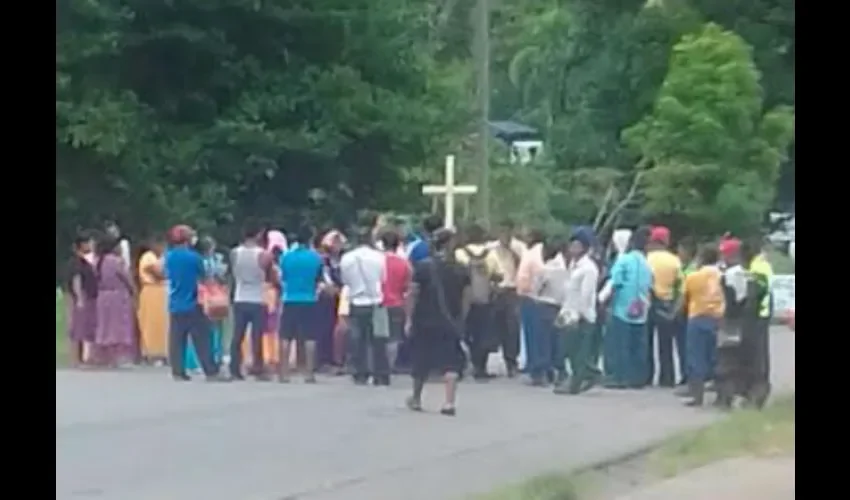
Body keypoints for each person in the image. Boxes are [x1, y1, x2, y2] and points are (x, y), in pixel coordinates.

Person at [405, 229, 471, 416]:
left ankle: (416, 398)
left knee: (421, 360)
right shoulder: (460, 268)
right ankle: (449, 402)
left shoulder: (423, 267)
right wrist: (461, 319)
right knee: (450, 362)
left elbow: (413, 294)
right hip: (450, 322)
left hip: (424, 321)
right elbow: (467, 297)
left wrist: (409, 318)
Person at [164, 225, 225, 382]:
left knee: (177, 339)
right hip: (193, 301)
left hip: (175, 301)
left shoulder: (169, 257)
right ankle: (210, 371)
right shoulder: (194, 258)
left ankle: (178, 371)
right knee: (202, 338)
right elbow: (205, 277)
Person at [603, 226, 653, 389]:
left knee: (620, 344)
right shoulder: (646, 264)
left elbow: (615, 283)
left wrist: (606, 303)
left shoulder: (623, 260)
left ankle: (619, 377)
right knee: (637, 345)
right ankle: (637, 378)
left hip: (622, 307)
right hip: (641, 309)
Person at [340, 226, 391, 385]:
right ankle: (380, 374)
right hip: (376, 301)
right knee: (379, 339)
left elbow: (346, 281)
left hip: (356, 301)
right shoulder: (379, 257)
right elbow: (383, 278)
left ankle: (360, 372)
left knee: (357, 339)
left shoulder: (346, 258)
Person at [554, 227, 601, 395]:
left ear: (585, 247)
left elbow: (586, 295)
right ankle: (589, 374)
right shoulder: (573, 265)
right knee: (569, 349)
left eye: (576, 245)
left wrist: (578, 316)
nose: (572, 249)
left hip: (581, 315)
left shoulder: (589, 268)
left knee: (578, 351)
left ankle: (577, 382)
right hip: (568, 312)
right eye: (571, 245)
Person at [454, 222, 503, 381]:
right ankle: (480, 367)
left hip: (463, 299)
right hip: (484, 299)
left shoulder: (459, 253)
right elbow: (499, 275)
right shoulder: (491, 254)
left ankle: (461, 365)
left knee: (463, 332)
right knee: (483, 333)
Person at [278, 224, 324, 383]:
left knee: (285, 336)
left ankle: (283, 373)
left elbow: (283, 277)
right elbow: (318, 279)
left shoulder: (286, 257)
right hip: (309, 299)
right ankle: (309, 373)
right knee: (310, 337)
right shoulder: (316, 258)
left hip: (289, 298)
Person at [228, 222, 274, 380]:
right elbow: (270, 275)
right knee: (257, 336)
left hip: (240, 296)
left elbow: (233, 274)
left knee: (237, 335)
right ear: (259, 234)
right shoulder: (264, 255)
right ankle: (257, 367)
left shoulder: (235, 253)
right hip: (257, 297)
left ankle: (235, 367)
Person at [680, 244, 725, 406]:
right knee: (718, 358)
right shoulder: (722, 275)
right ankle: (721, 396)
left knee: (696, 358)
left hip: (697, 317)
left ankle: (697, 396)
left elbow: (683, 299)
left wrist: (675, 314)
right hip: (718, 318)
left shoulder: (693, 277)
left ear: (701, 258)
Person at [645, 226, 684, 387]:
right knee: (665, 345)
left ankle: (647, 375)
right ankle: (667, 377)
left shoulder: (646, 259)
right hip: (667, 303)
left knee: (646, 343)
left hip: (648, 302)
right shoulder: (674, 260)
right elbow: (680, 286)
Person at [528, 237, 569, 386]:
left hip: (544, 305)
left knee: (542, 341)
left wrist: (535, 295)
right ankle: (558, 371)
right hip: (560, 306)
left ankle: (541, 372)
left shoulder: (546, 269)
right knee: (556, 340)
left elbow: (536, 288)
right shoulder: (565, 269)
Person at [489, 219, 526, 377]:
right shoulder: (490, 247)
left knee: (511, 328)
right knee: (494, 325)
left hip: (512, 290)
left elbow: (524, 267)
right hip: (495, 289)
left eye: (506, 231)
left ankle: (511, 361)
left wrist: (511, 250)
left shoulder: (520, 247)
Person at [92, 235, 136, 367]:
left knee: (104, 325)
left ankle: (104, 357)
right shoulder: (116, 261)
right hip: (117, 295)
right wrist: (133, 290)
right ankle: (119, 357)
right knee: (119, 325)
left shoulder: (97, 261)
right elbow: (126, 278)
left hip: (102, 295)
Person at [185, 237, 227, 372]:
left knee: (197, 329)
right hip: (210, 294)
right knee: (212, 327)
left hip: (197, 293)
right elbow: (217, 277)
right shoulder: (209, 262)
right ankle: (212, 357)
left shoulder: (194, 260)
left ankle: (193, 361)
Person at [380, 230, 412, 373]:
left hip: (379, 302)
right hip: (397, 302)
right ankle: (390, 366)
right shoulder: (404, 264)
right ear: (398, 244)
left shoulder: (377, 261)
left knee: (379, 336)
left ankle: (378, 365)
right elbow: (408, 287)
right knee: (394, 338)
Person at [64, 232, 98, 367]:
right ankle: (75, 359)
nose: (90, 245)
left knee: (83, 327)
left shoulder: (83, 262)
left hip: (84, 296)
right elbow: (76, 280)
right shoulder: (77, 263)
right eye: (87, 243)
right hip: (81, 296)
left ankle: (82, 357)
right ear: (81, 245)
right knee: (78, 328)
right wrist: (79, 298)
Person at [516, 228, 547, 374]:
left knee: (534, 334)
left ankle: (536, 365)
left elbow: (541, 273)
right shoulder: (529, 252)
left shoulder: (536, 253)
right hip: (527, 295)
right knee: (529, 334)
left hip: (533, 296)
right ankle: (531, 362)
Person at [315, 229, 346, 372]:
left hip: (340, 296)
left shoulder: (341, 260)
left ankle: (336, 359)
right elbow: (322, 278)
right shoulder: (322, 259)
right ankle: (323, 360)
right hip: (325, 297)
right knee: (324, 328)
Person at [136, 235, 168, 364]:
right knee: (150, 323)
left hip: (163, 292)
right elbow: (159, 274)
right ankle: (150, 353)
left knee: (164, 323)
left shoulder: (163, 257)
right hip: (151, 291)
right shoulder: (148, 257)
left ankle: (164, 352)